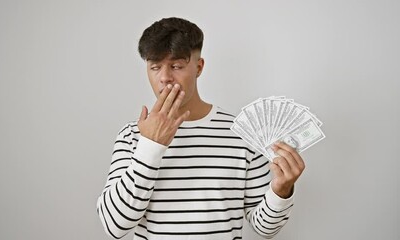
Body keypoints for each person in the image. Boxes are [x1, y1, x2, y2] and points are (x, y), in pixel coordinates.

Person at [96, 17, 305, 240]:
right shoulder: (132, 135)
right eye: (155, 67)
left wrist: (281, 190)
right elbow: (114, 226)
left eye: (176, 66)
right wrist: (150, 146)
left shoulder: (241, 134)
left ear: (199, 67)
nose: (165, 77)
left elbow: (264, 228)